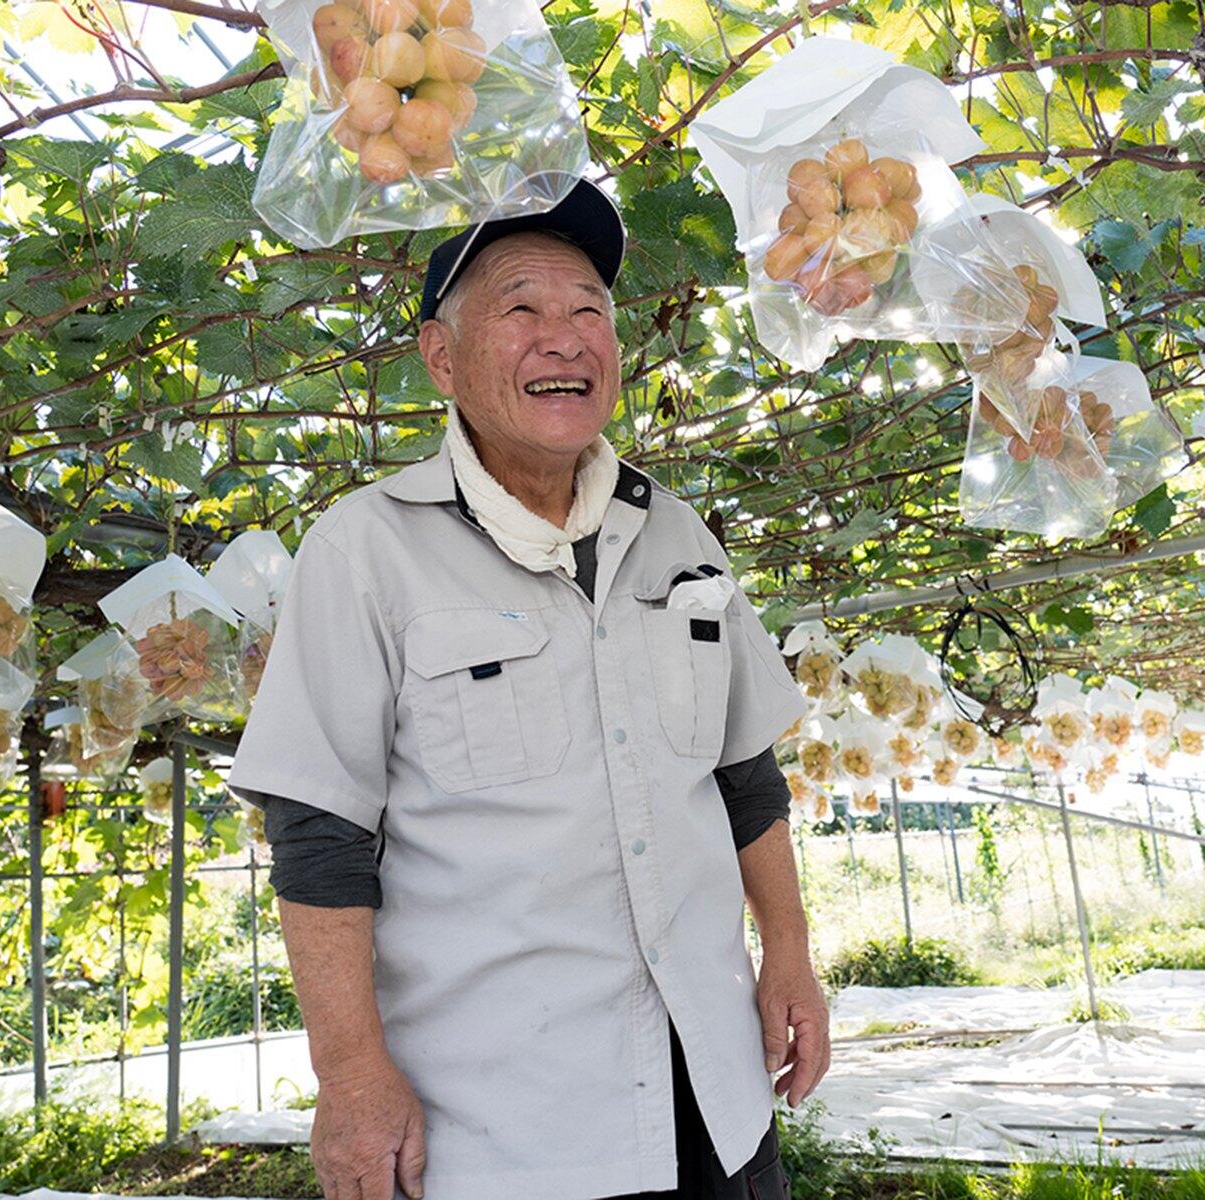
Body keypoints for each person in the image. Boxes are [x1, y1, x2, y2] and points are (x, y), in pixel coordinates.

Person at [229, 178, 829, 1200]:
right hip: (510, 1128)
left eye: (589, 310)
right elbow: (321, 831)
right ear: (441, 356)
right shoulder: (367, 550)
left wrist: (790, 953)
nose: (565, 337)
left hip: (718, 1095)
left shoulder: (677, 531)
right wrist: (351, 1074)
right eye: (521, 310)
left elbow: (744, 774)